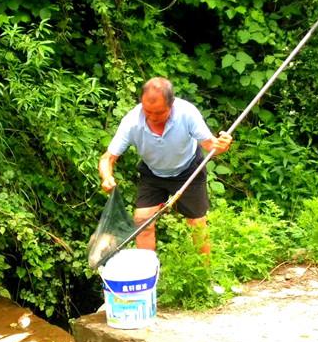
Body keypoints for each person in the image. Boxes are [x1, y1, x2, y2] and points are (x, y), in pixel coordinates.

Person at [98, 77, 232, 255]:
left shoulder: (187, 113)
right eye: (147, 111)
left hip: (188, 169)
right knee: (142, 221)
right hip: (153, 174)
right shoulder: (131, 122)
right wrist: (107, 177)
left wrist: (221, 145)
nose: (152, 117)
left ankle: (205, 279)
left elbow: (210, 146)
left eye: (159, 112)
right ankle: (147, 275)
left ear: (171, 104)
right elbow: (107, 158)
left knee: (197, 225)